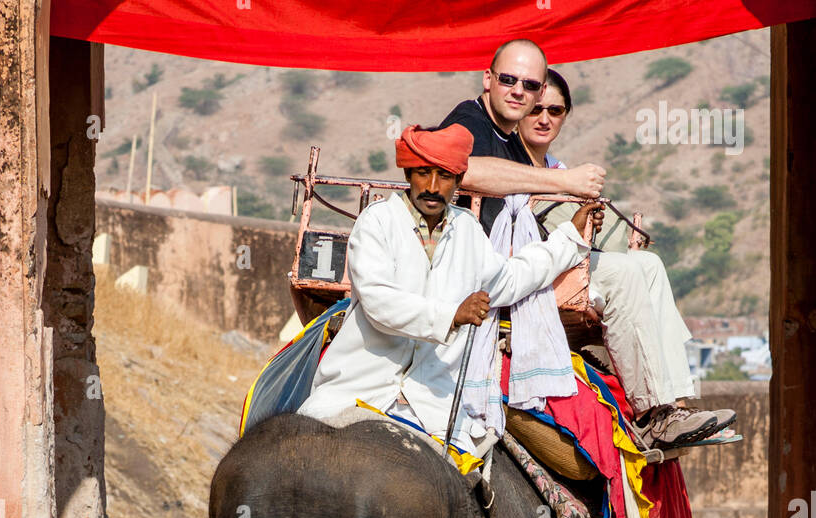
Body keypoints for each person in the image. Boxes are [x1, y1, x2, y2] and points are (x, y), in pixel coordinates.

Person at [298, 122, 595, 458]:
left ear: (458, 181)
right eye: (423, 173)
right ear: (409, 174)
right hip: (355, 390)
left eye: (445, 176)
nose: (433, 187)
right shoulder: (377, 221)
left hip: (431, 407)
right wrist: (452, 316)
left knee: (469, 490)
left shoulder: (467, 229)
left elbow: (510, 280)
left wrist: (569, 236)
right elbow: (379, 302)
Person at [518, 70, 736, 448]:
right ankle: (652, 412)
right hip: (530, 270)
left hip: (565, 263)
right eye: (537, 109)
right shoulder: (509, 164)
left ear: (565, 115)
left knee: (648, 265)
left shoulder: (558, 169)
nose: (544, 118)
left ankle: (675, 402)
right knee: (621, 273)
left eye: (555, 110)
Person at [437, 38, 606, 234]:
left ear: (541, 92)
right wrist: (567, 179)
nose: (518, 91)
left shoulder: (514, 147)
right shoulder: (469, 119)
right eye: (508, 80)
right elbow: (465, 170)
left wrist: (578, 219)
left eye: (530, 85)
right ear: (487, 79)